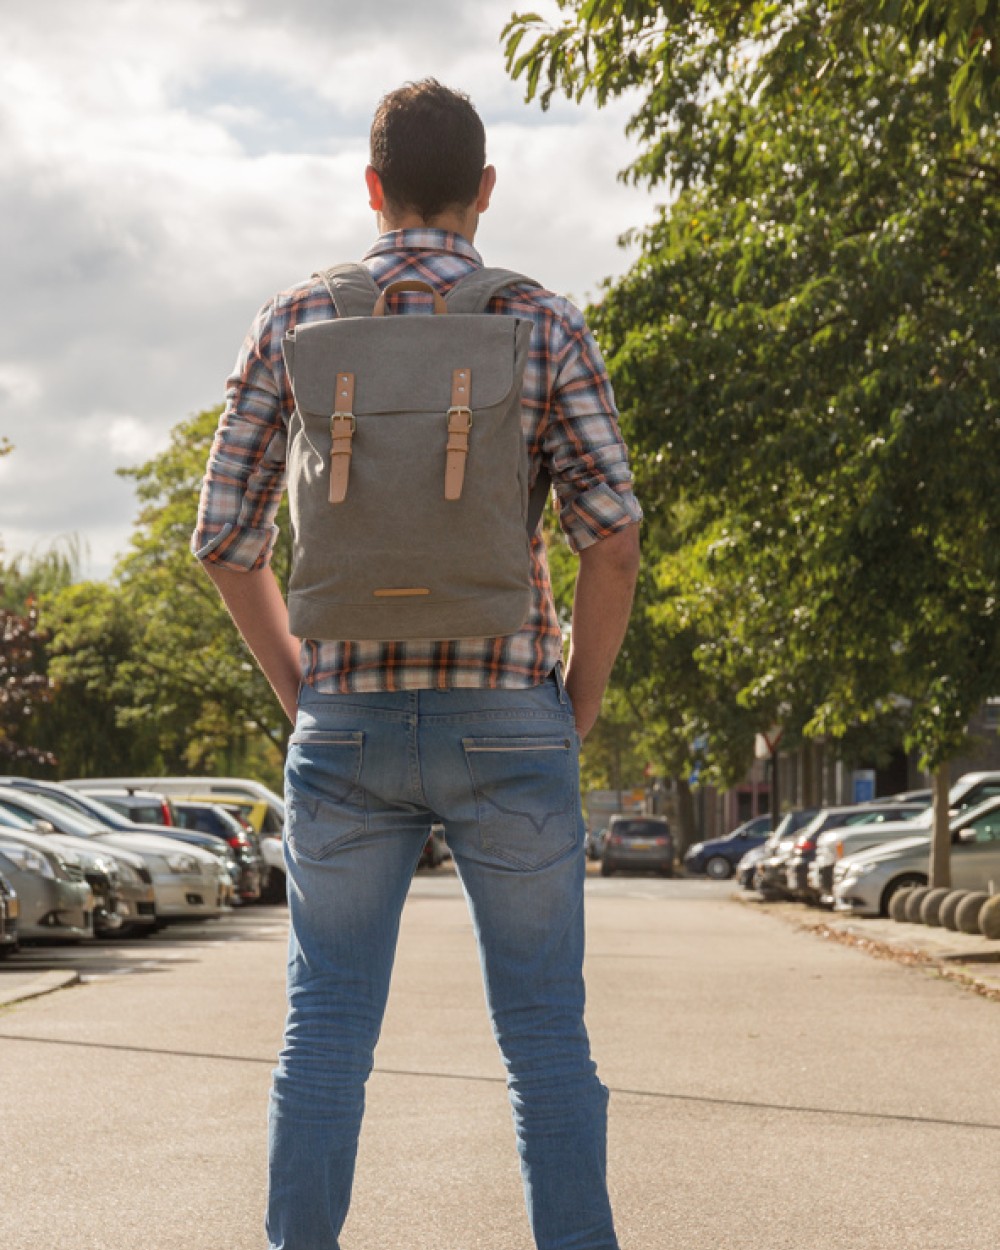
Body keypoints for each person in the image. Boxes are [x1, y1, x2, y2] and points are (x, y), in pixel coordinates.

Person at [192, 79, 641, 1250]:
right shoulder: (540, 319)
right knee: (546, 1038)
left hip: (342, 718)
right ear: (485, 191)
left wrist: (302, 687)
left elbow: (223, 538)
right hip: (509, 714)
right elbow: (614, 537)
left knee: (324, 1030)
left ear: (371, 187)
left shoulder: (294, 319)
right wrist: (573, 704)